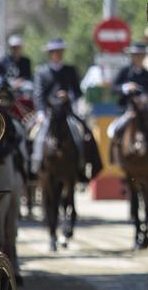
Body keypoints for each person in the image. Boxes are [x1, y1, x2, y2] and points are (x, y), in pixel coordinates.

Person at [31, 38, 102, 182]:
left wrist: (68, 95)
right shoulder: (42, 72)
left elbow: (77, 92)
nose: (58, 54)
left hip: (68, 112)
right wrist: (41, 112)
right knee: (37, 136)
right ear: (50, 54)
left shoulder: (70, 70)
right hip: (48, 113)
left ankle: (84, 166)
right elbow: (38, 94)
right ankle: (35, 166)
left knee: (84, 133)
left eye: (60, 51)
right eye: (54, 52)